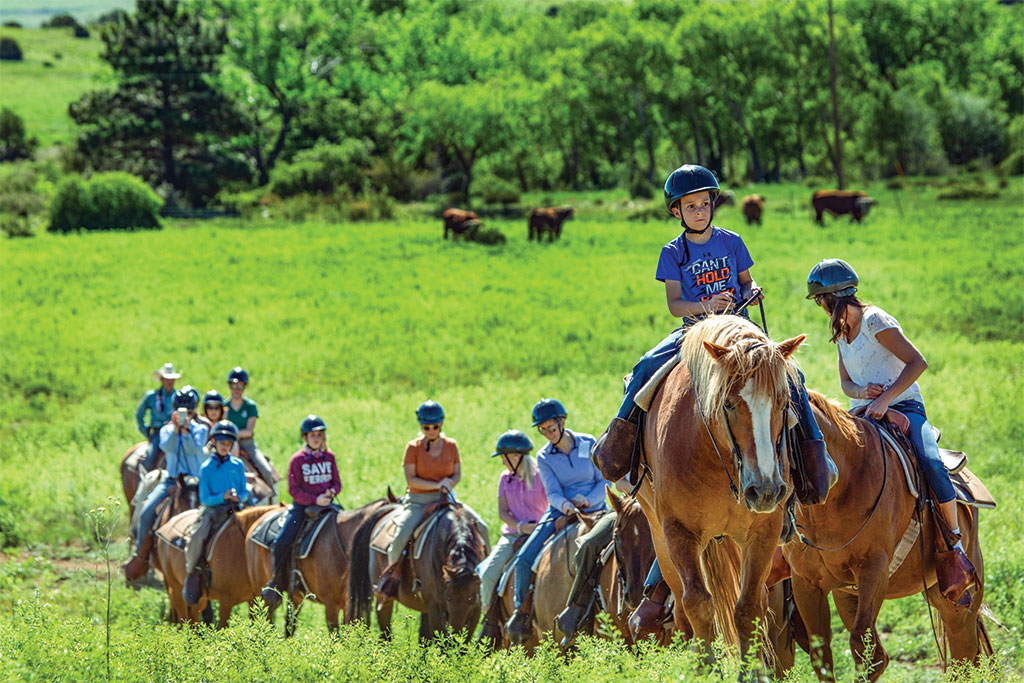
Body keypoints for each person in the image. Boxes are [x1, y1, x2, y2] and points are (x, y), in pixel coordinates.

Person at [598, 165, 836, 636]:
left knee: (792, 376)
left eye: (705, 202)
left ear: (713, 205)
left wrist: (749, 294)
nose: (699, 209)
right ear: (677, 211)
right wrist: (708, 308)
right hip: (694, 334)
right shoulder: (674, 252)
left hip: (740, 329)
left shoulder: (731, 241)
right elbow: (675, 306)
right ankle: (620, 444)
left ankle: (811, 462)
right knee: (646, 369)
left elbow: (747, 284)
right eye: (690, 205)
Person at [807, 258, 977, 604]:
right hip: (867, 410)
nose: (822, 309)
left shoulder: (874, 321)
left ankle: (954, 546)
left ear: (831, 298)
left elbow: (918, 362)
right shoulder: (841, 332)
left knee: (930, 461)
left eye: (821, 302)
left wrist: (886, 398)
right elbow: (845, 383)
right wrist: (863, 393)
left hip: (905, 407)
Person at [504, 398, 608, 641]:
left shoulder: (589, 442)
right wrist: (567, 506)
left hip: (597, 508)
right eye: (542, 430)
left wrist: (588, 502)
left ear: (562, 422)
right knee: (524, 558)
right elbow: (552, 493)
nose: (547, 434)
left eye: (550, 428)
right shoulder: (543, 456)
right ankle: (522, 611)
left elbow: (603, 480)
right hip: (561, 511)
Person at [376, 400, 489, 599]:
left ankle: (485, 572)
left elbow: (457, 474)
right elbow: (411, 479)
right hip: (419, 500)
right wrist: (438, 485)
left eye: (435, 426)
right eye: (426, 427)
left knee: (482, 526)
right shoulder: (413, 447)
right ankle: (392, 577)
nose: (431, 430)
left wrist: (448, 484)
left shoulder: (451, 446)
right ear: (421, 426)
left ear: (441, 425)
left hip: (447, 498)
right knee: (400, 536)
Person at [124, 386, 209, 579]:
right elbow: (167, 446)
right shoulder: (166, 430)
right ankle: (141, 556)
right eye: (181, 409)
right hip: (171, 480)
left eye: (188, 410)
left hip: (197, 481)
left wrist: (186, 431)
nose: (185, 413)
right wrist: (177, 430)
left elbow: (195, 449)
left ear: (194, 410)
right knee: (146, 512)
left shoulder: (201, 429)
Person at [260, 415, 340, 608]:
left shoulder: (330, 457)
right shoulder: (297, 460)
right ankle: (277, 583)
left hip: (327, 506)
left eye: (319, 435)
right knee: (282, 542)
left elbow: (337, 482)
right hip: (302, 509)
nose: (316, 438)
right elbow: (293, 490)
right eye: (312, 435)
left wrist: (331, 491)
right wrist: (314, 500)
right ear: (305, 437)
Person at [475, 430, 547, 639]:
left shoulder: (541, 475)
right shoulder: (504, 478)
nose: (502, 463)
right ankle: (490, 620)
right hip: (512, 536)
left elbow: (551, 502)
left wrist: (539, 527)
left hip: (541, 533)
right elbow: (502, 512)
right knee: (488, 574)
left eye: (504, 458)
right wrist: (521, 526)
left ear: (515, 457)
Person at [183, 420, 252, 605]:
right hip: (213, 511)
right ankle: (192, 573)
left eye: (229, 444)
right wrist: (224, 496)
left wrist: (241, 496)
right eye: (222, 443)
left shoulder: (237, 465)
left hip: (235, 510)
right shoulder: (206, 468)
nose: (225, 447)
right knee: (197, 536)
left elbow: (245, 490)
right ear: (215, 442)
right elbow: (205, 498)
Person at [224, 366, 278, 496]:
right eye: (234, 386)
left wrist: (232, 433)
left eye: (240, 386)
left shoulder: (250, 406)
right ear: (230, 386)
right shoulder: (224, 405)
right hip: (227, 442)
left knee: (265, 469)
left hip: (247, 443)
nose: (237, 390)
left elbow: (249, 431)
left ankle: (272, 495)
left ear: (244, 387)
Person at [134, 362, 181, 472]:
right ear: (161, 379)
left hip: (176, 430)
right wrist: (146, 432)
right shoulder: (152, 396)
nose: (170, 381)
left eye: (172, 379)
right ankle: (146, 481)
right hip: (158, 431)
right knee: (150, 458)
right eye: (167, 378)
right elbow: (139, 414)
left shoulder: (179, 396)